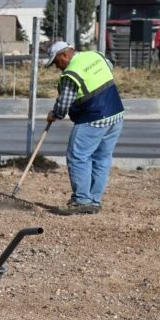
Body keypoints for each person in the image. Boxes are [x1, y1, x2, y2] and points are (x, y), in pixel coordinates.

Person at [44, 41, 125, 214]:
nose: (58, 67)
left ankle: (81, 200)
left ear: (65, 54)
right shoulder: (95, 55)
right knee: (102, 158)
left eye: (57, 62)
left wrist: (55, 114)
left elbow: (64, 103)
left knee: (78, 156)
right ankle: (94, 201)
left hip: (94, 117)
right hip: (116, 114)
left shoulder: (72, 72)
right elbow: (108, 69)